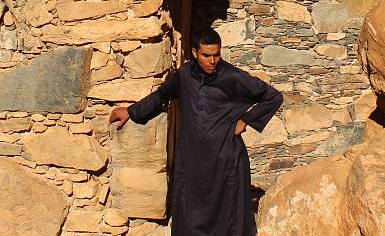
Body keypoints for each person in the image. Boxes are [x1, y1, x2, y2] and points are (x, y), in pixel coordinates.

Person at [109, 28, 283, 236]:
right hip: (192, 162)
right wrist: (131, 111)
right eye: (206, 55)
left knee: (227, 222)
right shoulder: (184, 75)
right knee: (189, 219)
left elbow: (273, 97)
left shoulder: (233, 77)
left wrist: (245, 120)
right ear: (194, 52)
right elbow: (162, 95)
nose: (212, 61)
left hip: (225, 162)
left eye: (216, 54)